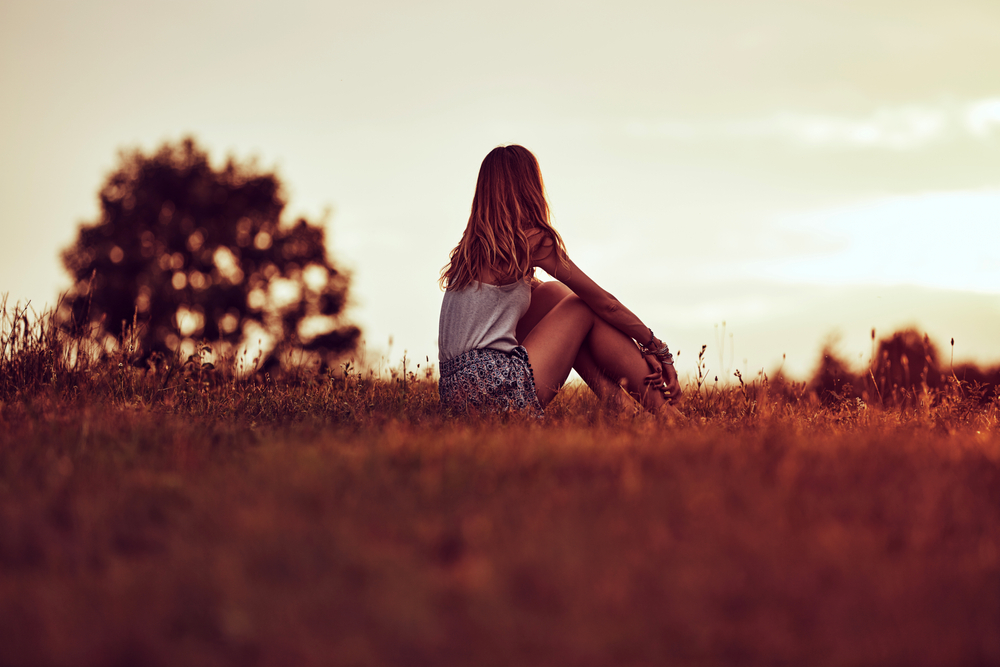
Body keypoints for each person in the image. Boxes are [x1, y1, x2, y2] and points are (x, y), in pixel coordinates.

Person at [437, 144, 681, 418]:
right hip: (496, 387)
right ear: (529, 187)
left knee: (555, 294)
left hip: (455, 393)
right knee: (581, 305)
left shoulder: (472, 250)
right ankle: (667, 414)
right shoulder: (531, 242)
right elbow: (605, 304)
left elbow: (560, 313)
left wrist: (636, 347)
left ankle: (623, 408)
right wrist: (655, 346)